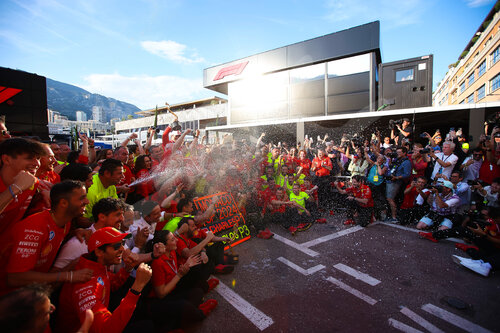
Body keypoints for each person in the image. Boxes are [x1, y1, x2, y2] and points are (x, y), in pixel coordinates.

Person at [0, 181, 93, 295]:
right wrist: (69, 275)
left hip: (30, 294)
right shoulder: (34, 228)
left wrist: (74, 233)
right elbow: (15, 278)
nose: (87, 201)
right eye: (82, 198)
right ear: (63, 203)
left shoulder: (65, 222)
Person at [55, 227, 154, 333]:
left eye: (122, 243)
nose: (122, 249)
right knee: (149, 326)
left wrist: (127, 268)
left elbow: (111, 284)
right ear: (99, 252)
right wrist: (137, 287)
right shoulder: (86, 283)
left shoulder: (97, 267)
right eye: (116, 246)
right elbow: (105, 330)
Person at [149, 230, 217, 331]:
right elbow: (161, 294)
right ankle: (198, 313)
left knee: (197, 292)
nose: (176, 240)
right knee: (183, 306)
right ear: (164, 245)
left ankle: (190, 311)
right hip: (160, 301)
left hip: (174, 290)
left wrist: (186, 266)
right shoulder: (157, 263)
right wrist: (180, 275)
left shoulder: (172, 251)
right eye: (172, 239)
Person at [53, 197, 126, 270]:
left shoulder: (117, 238)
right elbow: (54, 276)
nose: (122, 219)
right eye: (117, 215)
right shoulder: (78, 243)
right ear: (102, 217)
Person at [0, 138, 44, 230]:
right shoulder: (23, 185)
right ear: (6, 159)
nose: (37, 163)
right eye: (29, 158)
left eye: (38, 158)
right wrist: (15, 188)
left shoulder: (34, 183)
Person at [385, 146, 411, 223]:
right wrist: (390, 160)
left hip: (395, 182)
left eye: (399, 152)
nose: (397, 154)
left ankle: (394, 217)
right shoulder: (397, 160)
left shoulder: (406, 162)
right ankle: (391, 215)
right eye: (397, 152)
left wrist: (396, 177)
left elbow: (407, 174)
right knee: (389, 199)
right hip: (390, 181)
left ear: (404, 153)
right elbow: (391, 167)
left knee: (390, 199)